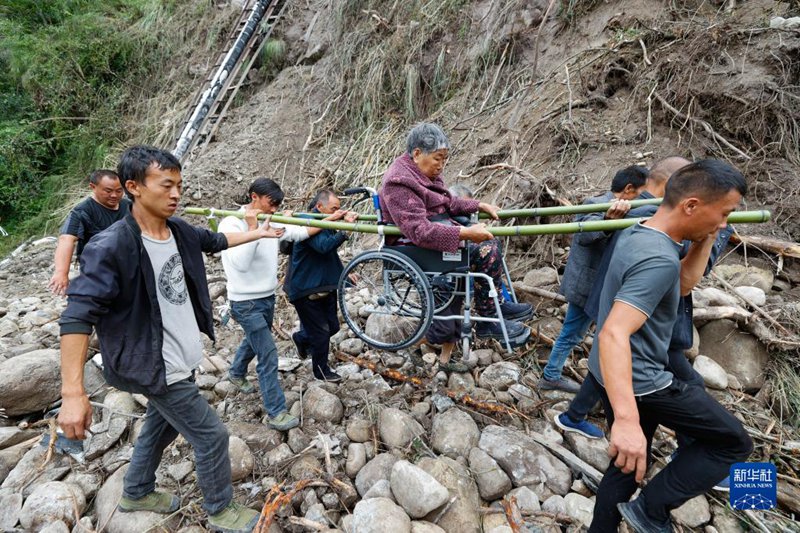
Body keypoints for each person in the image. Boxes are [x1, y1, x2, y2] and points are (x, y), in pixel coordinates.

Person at [58, 145, 278, 532]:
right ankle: (220, 509)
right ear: (134, 187)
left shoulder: (177, 230)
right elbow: (76, 316)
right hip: (150, 362)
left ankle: (137, 490)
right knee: (212, 435)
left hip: (179, 357)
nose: (176, 194)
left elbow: (214, 242)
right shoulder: (111, 246)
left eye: (179, 185)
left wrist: (258, 231)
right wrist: (72, 393)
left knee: (163, 424)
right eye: (166, 185)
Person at [586, 160, 753, 533]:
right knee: (733, 443)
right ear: (690, 205)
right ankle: (651, 510)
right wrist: (626, 421)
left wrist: (706, 235)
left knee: (627, 467)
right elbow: (613, 333)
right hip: (642, 380)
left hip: (610, 371)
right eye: (723, 213)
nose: (725, 223)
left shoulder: (640, 231)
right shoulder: (658, 258)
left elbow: (681, 286)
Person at [554, 157, 694, 439]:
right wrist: (608, 220)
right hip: (614, 298)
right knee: (688, 382)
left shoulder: (646, 211)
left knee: (600, 353)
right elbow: (584, 233)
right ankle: (554, 380)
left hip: (611, 297)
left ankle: (574, 414)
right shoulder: (641, 212)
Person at [379, 122, 532, 344]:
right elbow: (419, 231)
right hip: (413, 245)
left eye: (444, 159)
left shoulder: (425, 172)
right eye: (437, 158)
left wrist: (479, 205)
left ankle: (494, 304)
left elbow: (448, 202)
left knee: (490, 243)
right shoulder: (398, 181)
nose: (441, 165)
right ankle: (489, 320)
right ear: (417, 153)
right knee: (484, 249)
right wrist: (466, 233)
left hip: (438, 230)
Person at [219, 178, 349, 431]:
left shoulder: (273, 218)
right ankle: (276, 412)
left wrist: (332, 220)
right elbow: (241, 264)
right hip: (244, 302)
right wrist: (254, 229)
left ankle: (235, 373)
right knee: (268, 353)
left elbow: (301, 232)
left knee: (254, 340)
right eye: (272, 203)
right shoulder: (231, 222)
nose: (275, 209)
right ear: (254, 197)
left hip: (267, 297)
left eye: (278, 204)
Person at [537, 165, 648, 397]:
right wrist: (607, 220)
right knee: (572, 332)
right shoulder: (595, 203)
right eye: (639, 193)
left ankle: (558, 372)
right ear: (628, 189)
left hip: (597, 285)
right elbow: (586, 234)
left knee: (577, 331)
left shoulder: (622, 208)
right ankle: (551, 375)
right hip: (586, 284)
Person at [285, 189, 358, 382]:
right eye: (334, 208)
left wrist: (346, 274)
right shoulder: (309, 222)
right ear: (320, 207)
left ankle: (301, 338)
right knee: (321, 333)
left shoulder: (326, 222)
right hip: (306, 287)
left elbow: (329, 255)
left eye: (339, 209)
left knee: (332, 326)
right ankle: (321, 371)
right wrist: (345, 230)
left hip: (323, 285)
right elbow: (323, 246)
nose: (338, 212)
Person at [49, 169, 130, 295]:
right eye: (108, 191)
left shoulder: (130, 206)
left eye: (119, 191)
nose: (114, 195)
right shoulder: (82, 211)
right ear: (93, 187)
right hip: (98, 271)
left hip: (129, 265)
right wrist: (61, 272)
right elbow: (66, 239)